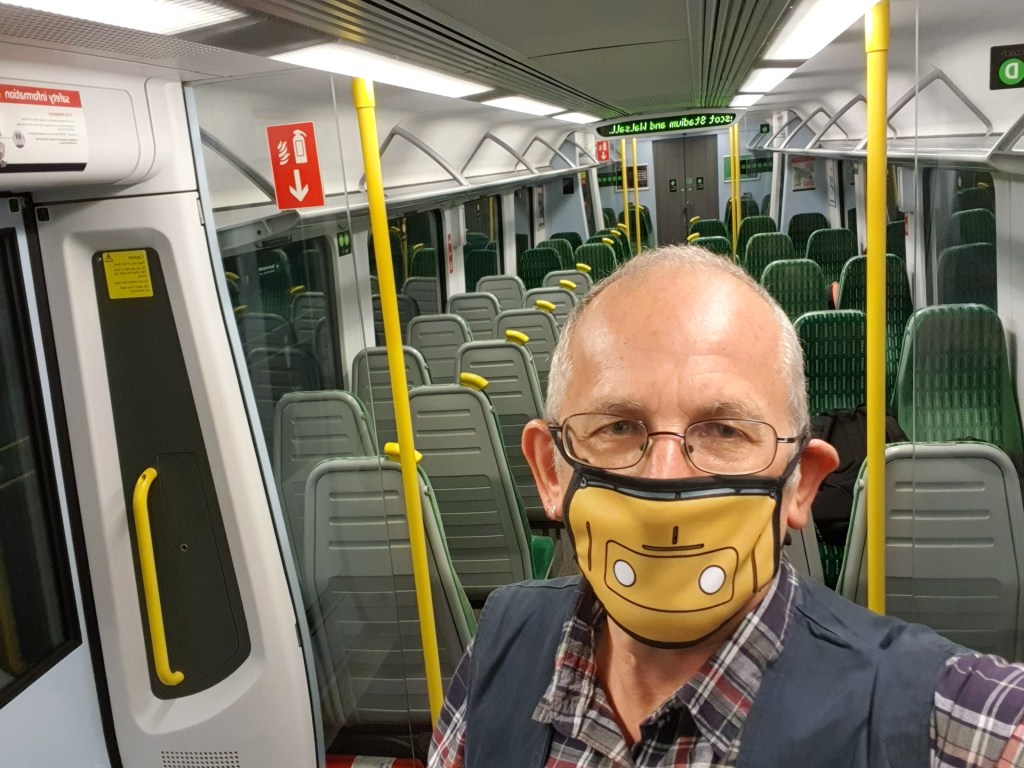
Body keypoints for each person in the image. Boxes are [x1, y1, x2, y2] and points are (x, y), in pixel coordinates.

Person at [428, 244, 1024, 767]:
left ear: (801, 484)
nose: (665, 476)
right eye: (617, 427)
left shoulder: (940, 720)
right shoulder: (497, 646)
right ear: (549, 471)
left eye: (723, 431)